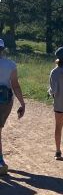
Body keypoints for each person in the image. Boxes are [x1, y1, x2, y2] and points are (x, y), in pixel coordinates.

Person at [0, 38, 26, 174]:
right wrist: (22, 103)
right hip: (4, 100)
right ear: (2, 49)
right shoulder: (10, 64)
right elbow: (15, 85)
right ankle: (0, 161)